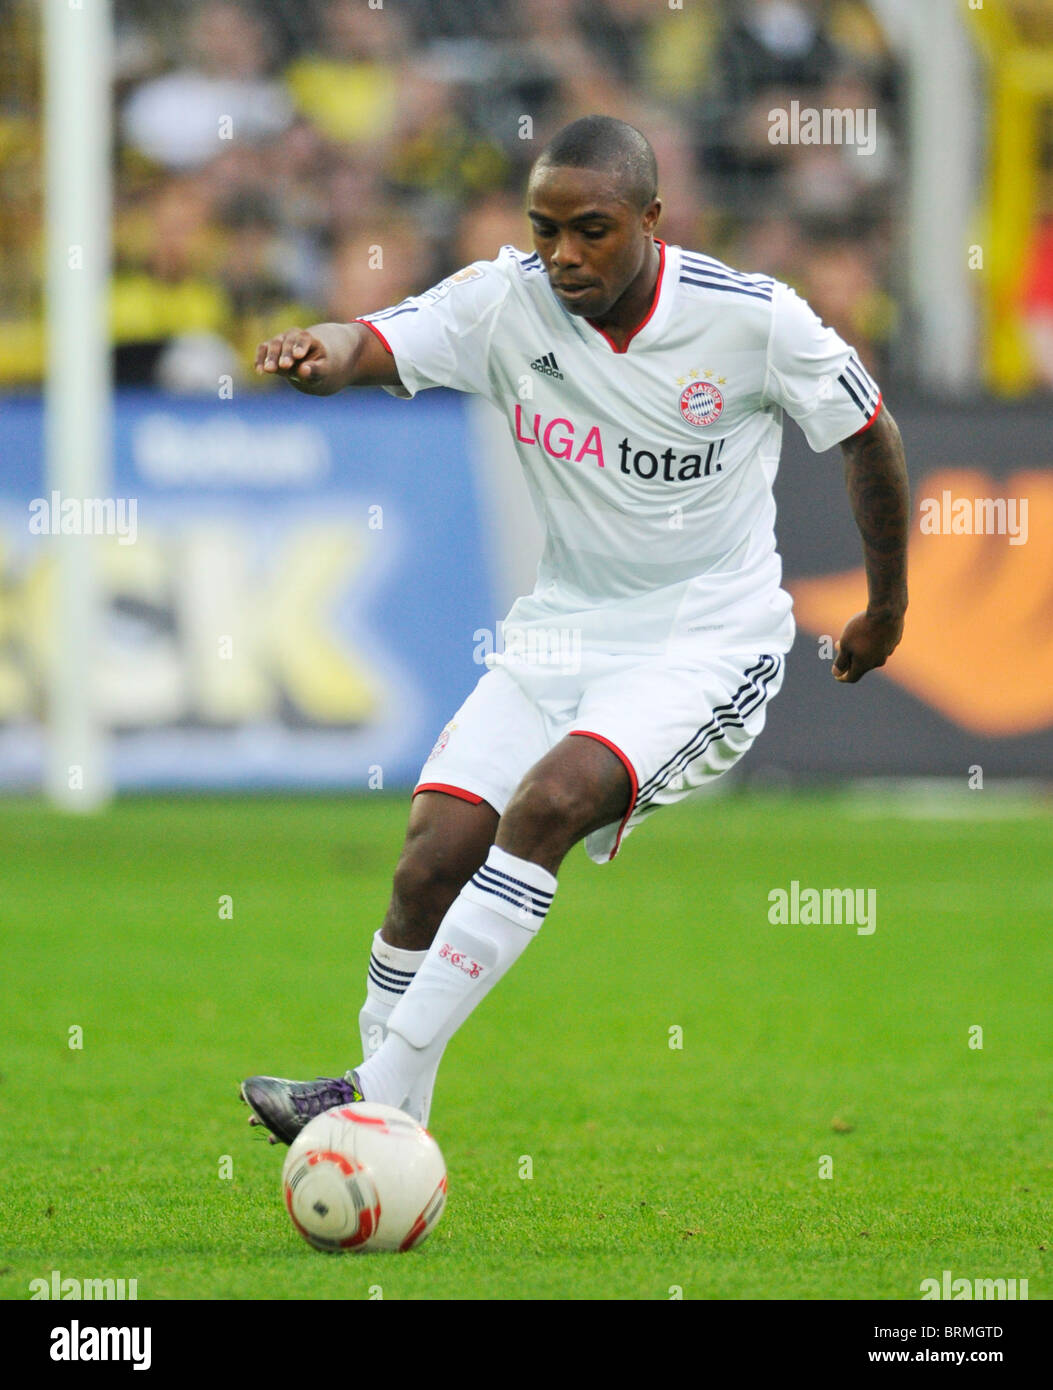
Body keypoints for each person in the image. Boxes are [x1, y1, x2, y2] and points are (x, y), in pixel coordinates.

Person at [241, 115, 909, 1142]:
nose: (562, 255)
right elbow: (372, 340)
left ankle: (367, 1094)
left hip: (704, 642)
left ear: (651, 218)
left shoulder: (754, 321)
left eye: (590, 230)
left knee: (550, 799)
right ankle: (391, 1137)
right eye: (544, 229)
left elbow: (869, 433)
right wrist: (317, 352)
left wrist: (887, 604)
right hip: (562, 631)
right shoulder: (506, 303)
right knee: (430, 857)